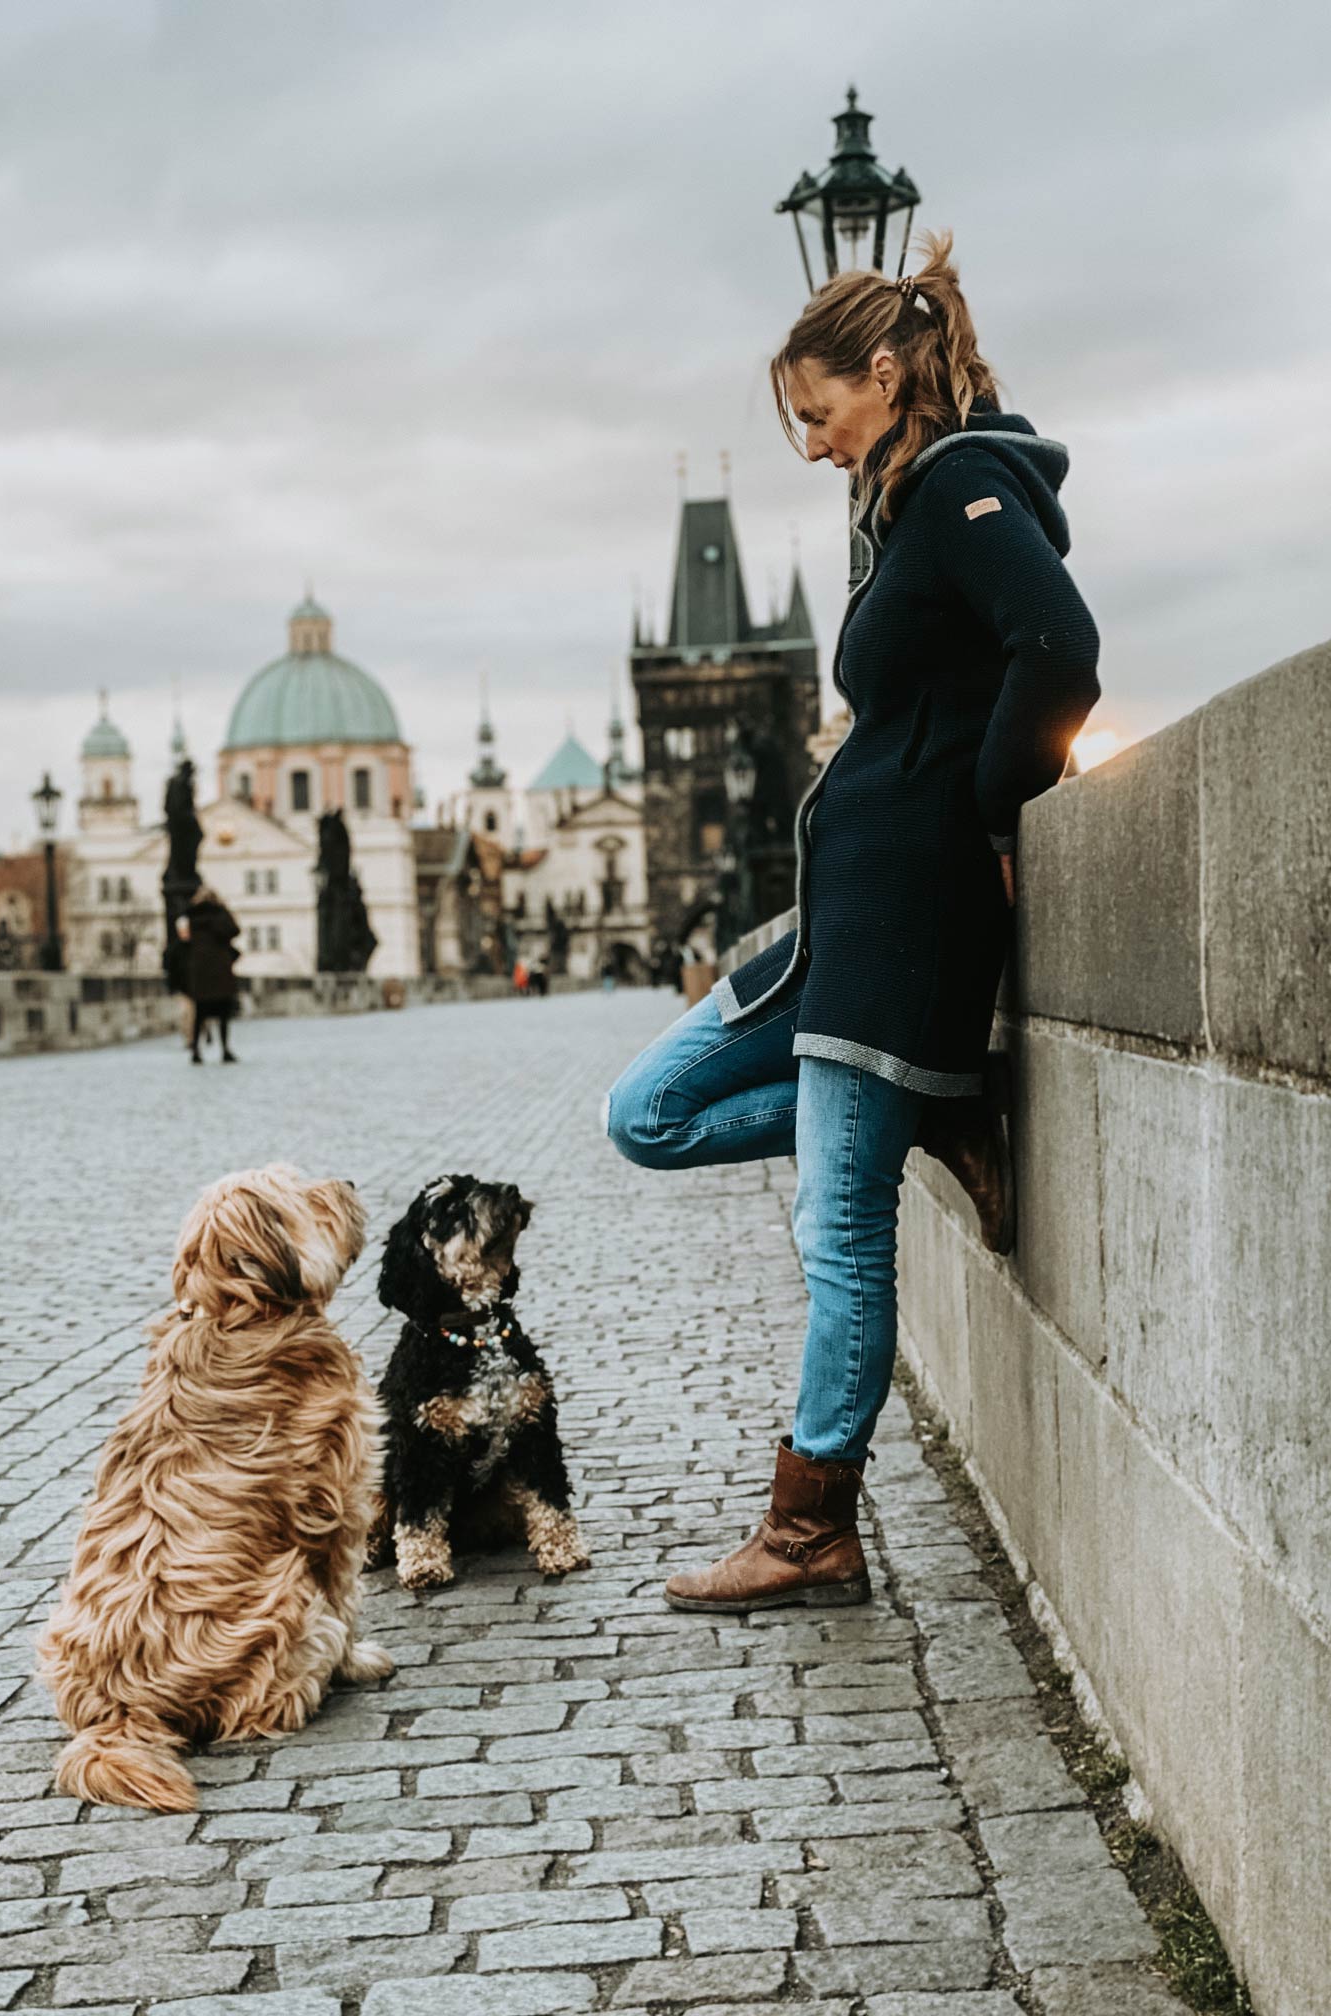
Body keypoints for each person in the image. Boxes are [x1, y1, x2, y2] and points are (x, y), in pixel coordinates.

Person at [604, 232, 1100, 1613]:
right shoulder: (909, 496)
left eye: (818, 415)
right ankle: (933, 1117)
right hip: (841, 927)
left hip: (901, 927)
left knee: (838, 1242)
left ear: (883, 375)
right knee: (644, 1113)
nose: (813, 446)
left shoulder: (961, 488)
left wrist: (998, 813)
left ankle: (811, 1528)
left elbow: (1061, 650)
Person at [179, 884, 242, 1065]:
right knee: (223, 1012)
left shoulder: (191, 915)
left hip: (199, 968)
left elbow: (185, 940)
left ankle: (197, 1051)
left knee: (200, 1012)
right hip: (220, 966)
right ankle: (225, 1050)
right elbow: (234, 931)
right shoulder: (219, 914)